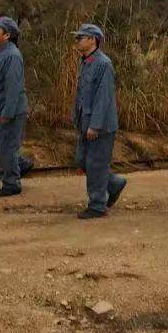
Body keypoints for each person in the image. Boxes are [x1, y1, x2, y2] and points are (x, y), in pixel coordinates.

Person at [72, 24, 126, 219]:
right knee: (83, 160)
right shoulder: (86, 61)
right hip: (85, 121)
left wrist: (95, 125)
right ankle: (113, 183)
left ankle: (97, 205)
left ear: (93, 40)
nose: (77, 41)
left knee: (95, 164)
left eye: (81, 37)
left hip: (100, 125)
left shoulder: (103, 63)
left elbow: (103, 97)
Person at [0, 16, 33, 197]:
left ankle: (12, 183)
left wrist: (8, 113)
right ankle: (19, 164)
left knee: (6, 147)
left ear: (6, 35)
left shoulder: (12, 56)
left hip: (9, 110)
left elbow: (14, 88)